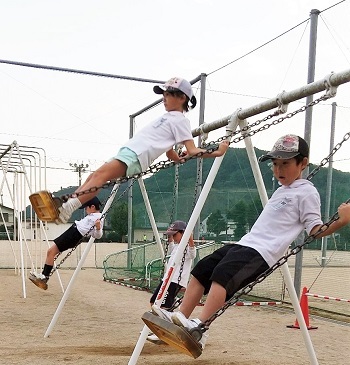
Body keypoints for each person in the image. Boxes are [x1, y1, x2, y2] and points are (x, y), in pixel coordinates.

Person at [151, 134, 350, 350]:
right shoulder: (282, 190)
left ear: (302, 164)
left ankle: (200, 327)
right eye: (275, 164)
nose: (278, 170)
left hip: (262, 252)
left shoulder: (307, 192)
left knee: (222, 276)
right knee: (202, 269)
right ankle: (180, 319)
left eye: (285, 164)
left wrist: (342, 220)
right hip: (245, 243)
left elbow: (315, 230)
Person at [55, 77, 229, 224]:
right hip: (129, 152)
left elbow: (192, 149)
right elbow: (170, 153)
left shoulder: (181, 121)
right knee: (93, 176)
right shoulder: (169, 118)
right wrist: (178, 158)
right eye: (164, 94)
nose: (164, 98)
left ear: (182, 98)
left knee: (100, 177)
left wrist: (217, 152)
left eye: (168, 94)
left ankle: (67, 208)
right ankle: (67, 205)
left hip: (136, 156)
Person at [29, 197, 104, 290]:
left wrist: (98, 228)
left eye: (86, 208)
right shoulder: (93, 216)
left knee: (51, 252)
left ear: (92, 207)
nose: (86, 210)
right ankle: (44, 276)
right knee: (50, 252)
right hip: (73, 232)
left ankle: (44, 276)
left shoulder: (98, 218)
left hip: (74, 235)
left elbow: (98, 235)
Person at [147, 220, 196, 343]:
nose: (173, 237)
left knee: (164, 306)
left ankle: (164, 332)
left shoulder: (186, 247)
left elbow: (193, 254)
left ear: (183, 233)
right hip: (167, 279)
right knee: (154, 302)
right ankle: (160, 328)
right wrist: (169, 236)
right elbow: (171, 248)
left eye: (175, 234)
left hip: (174, 281)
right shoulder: (177, 246)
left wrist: (190, 238)